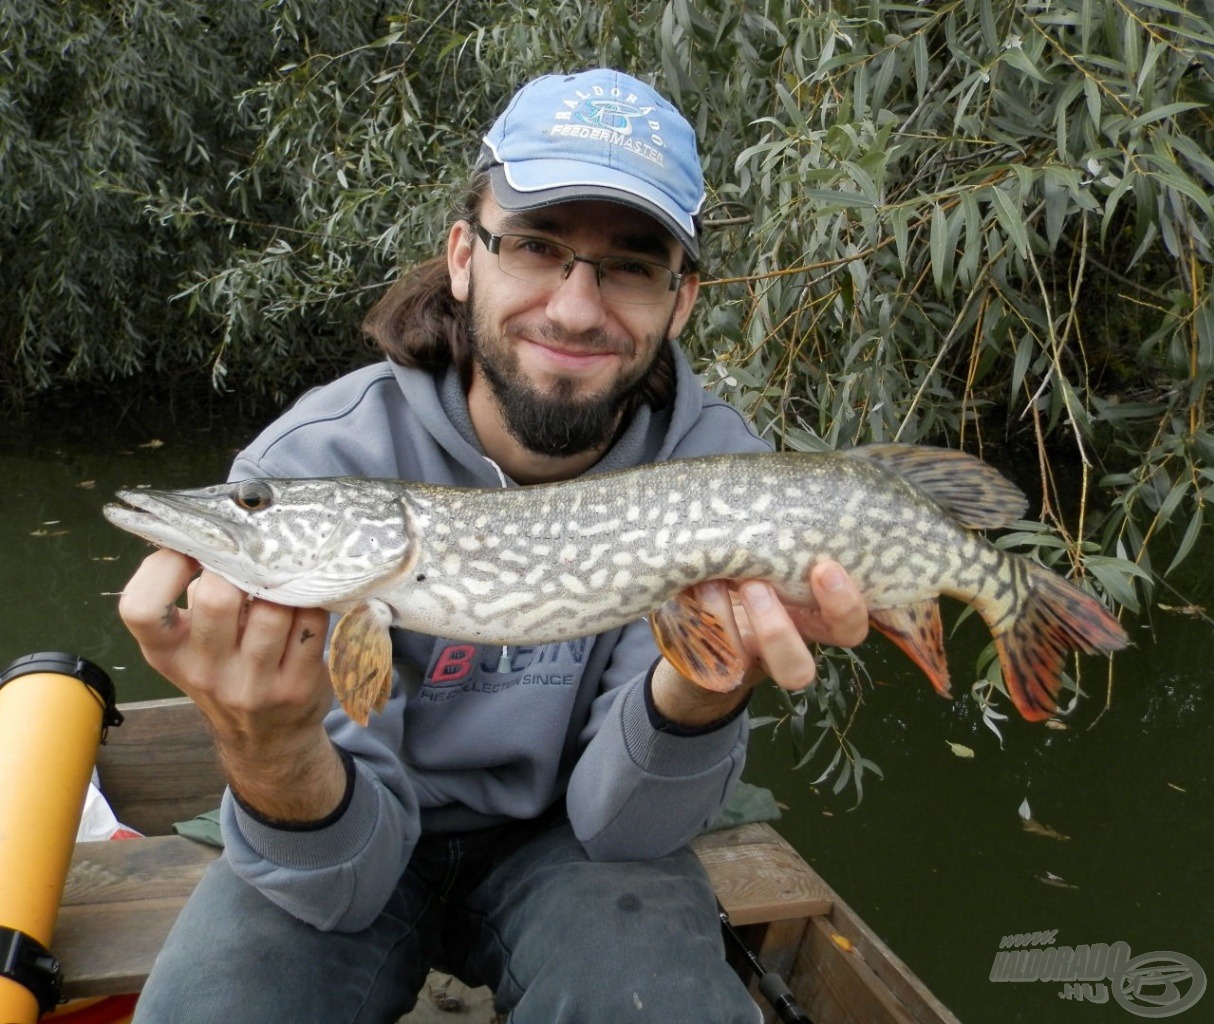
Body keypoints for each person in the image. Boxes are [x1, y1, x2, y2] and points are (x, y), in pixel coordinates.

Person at [117, 68, 868, 1023]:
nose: (575, 307)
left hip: (578, 846)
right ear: (466, 255)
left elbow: (622, 828)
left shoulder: (713, 472)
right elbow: (335, 885)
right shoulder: (320, 456)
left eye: (632, 266)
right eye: (537, 247)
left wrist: (703, 689)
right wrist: (268, 752)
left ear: (681, 302)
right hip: (346, 818)